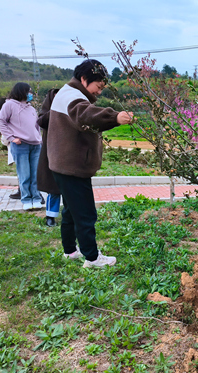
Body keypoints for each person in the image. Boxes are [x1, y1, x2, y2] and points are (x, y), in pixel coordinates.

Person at [47, 59, 133, 268]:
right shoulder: (73, 97)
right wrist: (114, 117)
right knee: (85, 212)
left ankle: (70, 251)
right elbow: (85, 115)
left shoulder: (67, 93)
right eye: (99, 86)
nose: (100, 91)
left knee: (71, 210)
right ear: (84, 79)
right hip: (73, 167)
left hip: (64, 165)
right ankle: (92, 258)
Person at [0, 83, 43, 210]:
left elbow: (36, 126)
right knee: (25, 174)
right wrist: (11, 138)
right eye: (29, 91)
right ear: (21, 91)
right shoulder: (9, 105)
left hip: (35, 145)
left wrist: (39, 139)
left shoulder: (31, 109)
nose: (31, 94)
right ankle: (26, 199)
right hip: (20, 145)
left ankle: (36, 198)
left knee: (35, 174)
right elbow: (0, 121)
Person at [37, 89, 61, 227]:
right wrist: (56, 109)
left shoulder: (71, 110)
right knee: (53, 187)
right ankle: (50, 216)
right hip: (51, 152)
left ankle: (71, 215)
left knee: (69, 187)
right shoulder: (47, 113)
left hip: (68, 153)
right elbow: (42, 121)